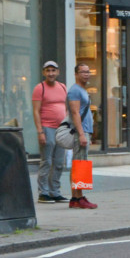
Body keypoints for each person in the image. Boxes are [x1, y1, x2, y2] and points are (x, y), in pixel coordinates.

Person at [32, 60, 68, 204]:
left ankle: (55, 192)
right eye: (48, 70)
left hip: (61, 129)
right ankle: (43, 193)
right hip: (47, 128)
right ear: (43, 73)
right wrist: (40, 131)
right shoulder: (40, 88)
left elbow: (65, 107)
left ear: (58, 72)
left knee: (59, 162)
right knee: (46, 161)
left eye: (53, 70)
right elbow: (35, 111)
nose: (51, 73)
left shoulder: (63, 87)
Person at [66, 63, 97, 209]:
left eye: (88, 71)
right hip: (81, 132)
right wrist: (81, 134)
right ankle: (78, 198)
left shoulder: (82, 90)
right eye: (83, 72)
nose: (86, 74)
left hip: (85, 131)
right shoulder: (75, 91)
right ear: (76, 74)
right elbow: (75, 113)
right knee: (79, 164)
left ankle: (76, 198)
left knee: (80, 164)